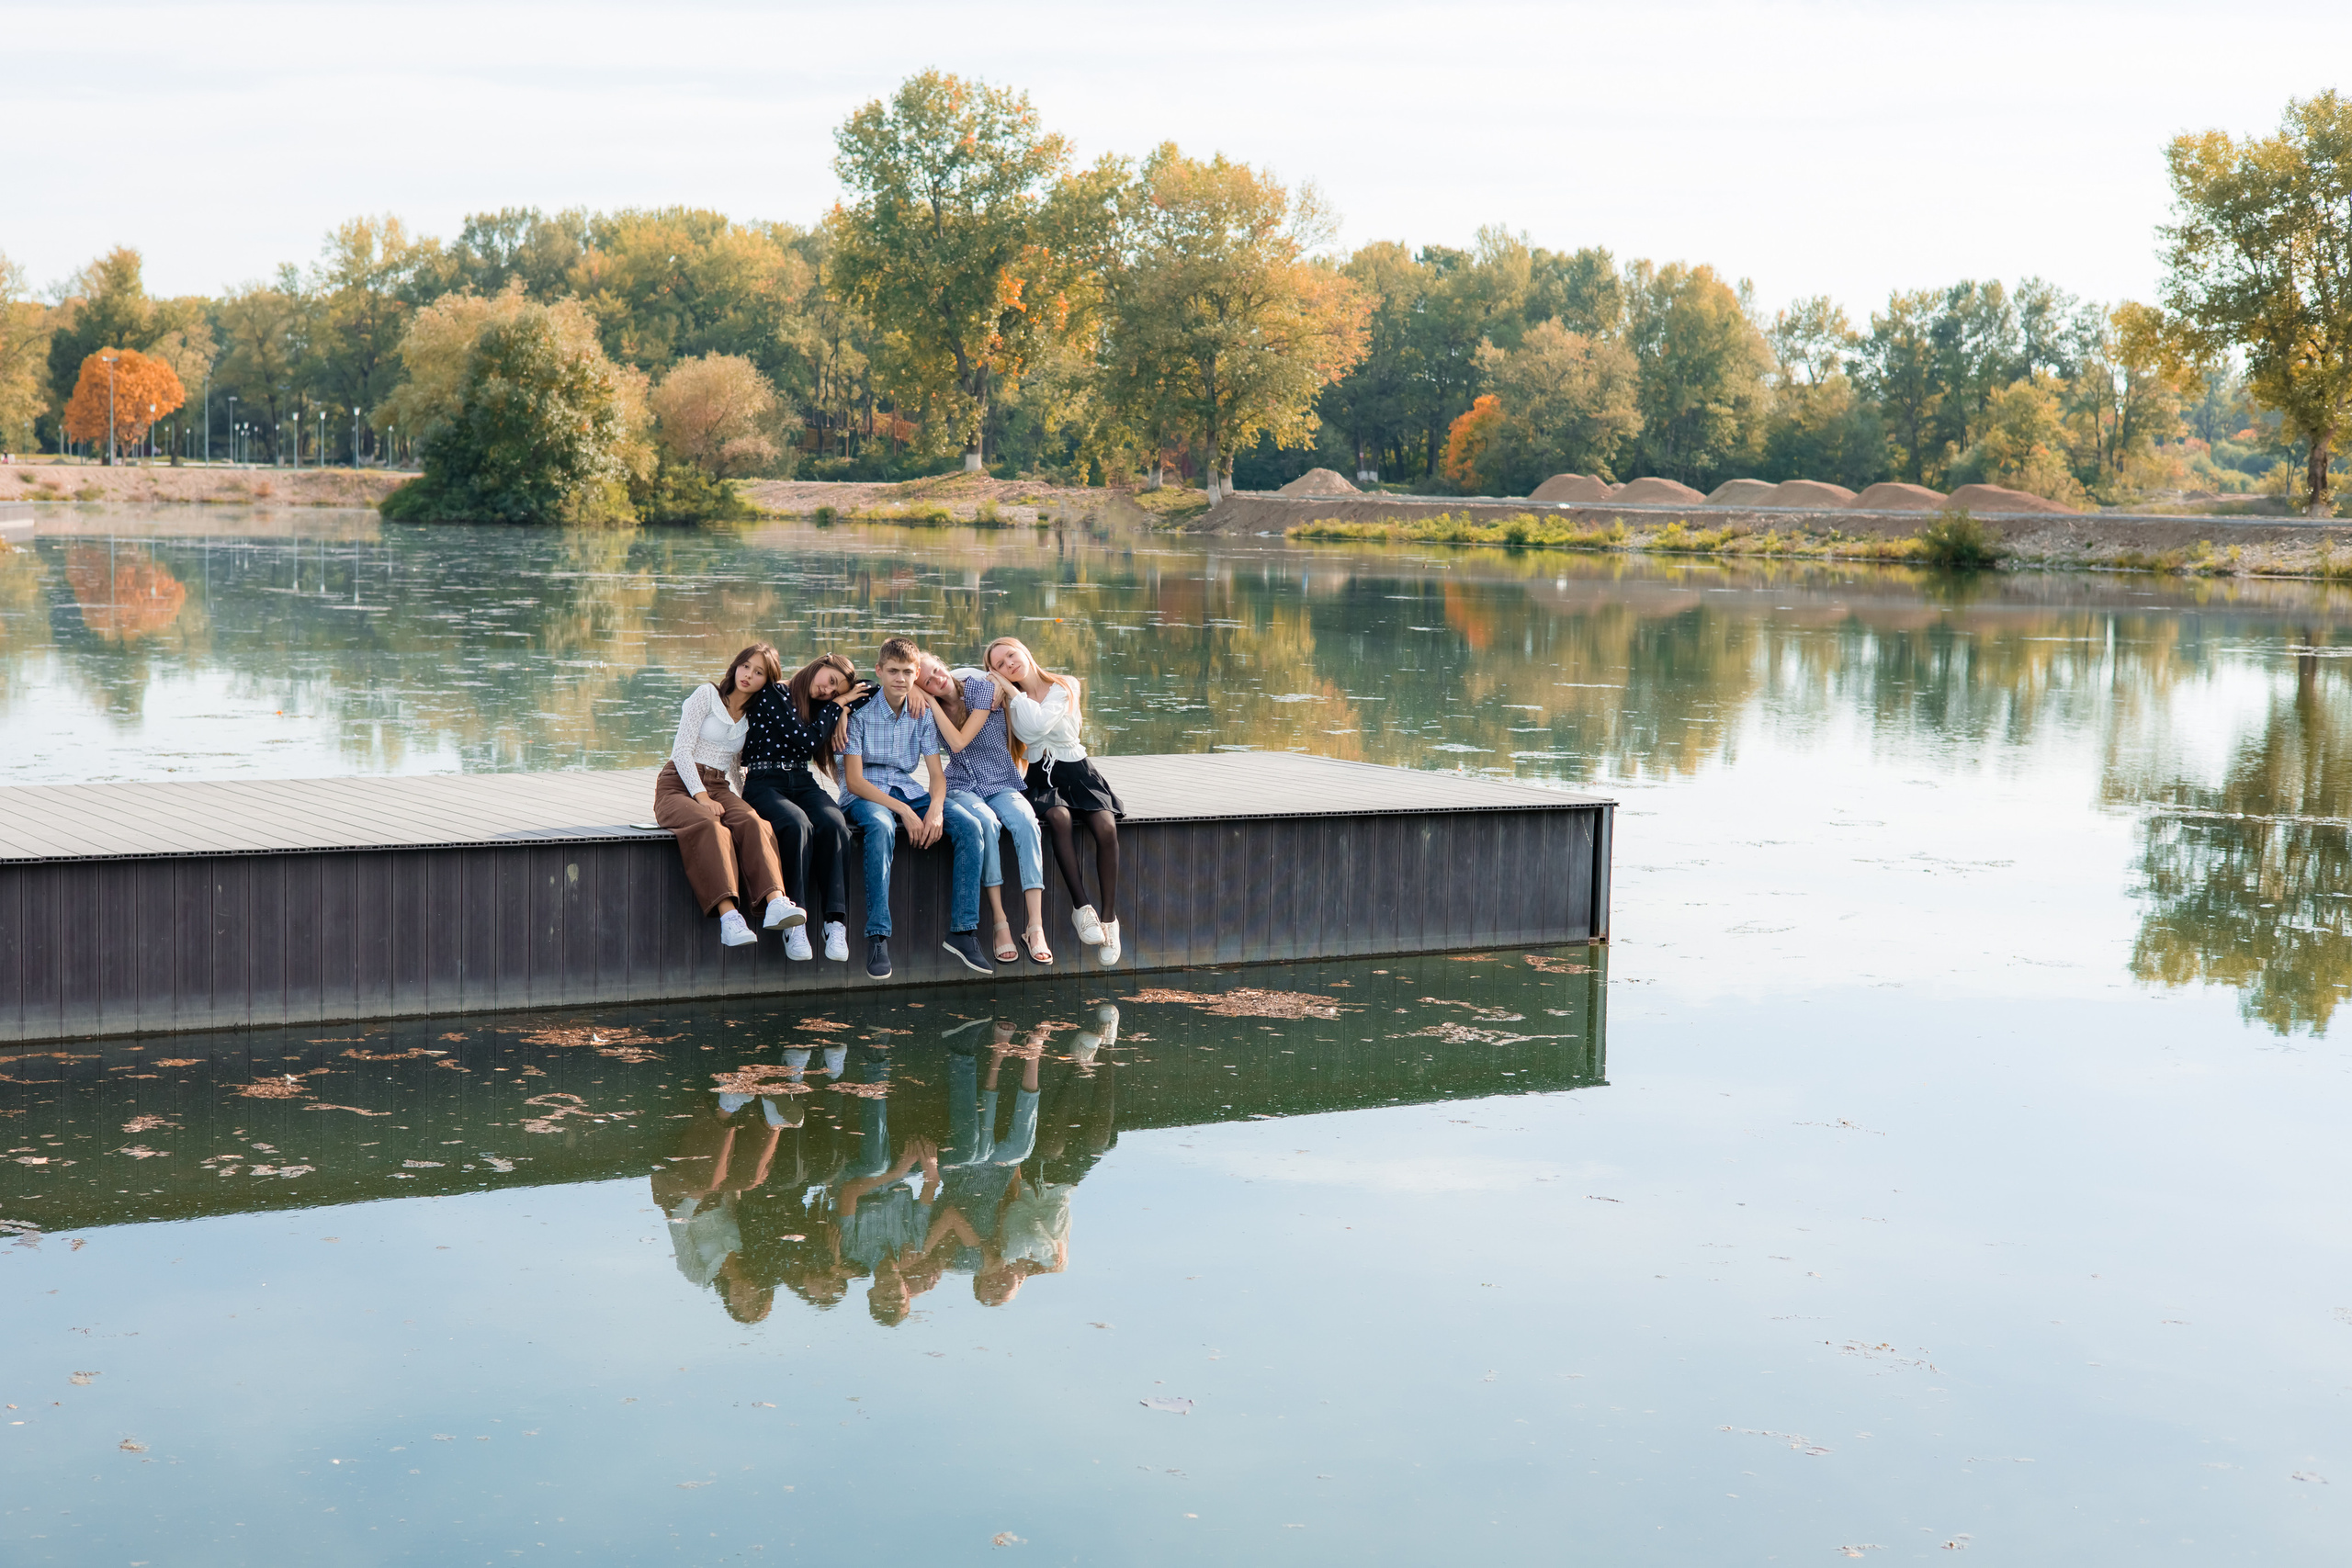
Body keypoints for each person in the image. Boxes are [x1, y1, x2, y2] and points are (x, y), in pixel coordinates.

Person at [841, 637, 994, 979]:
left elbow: (937, 778)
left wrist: (935, 810)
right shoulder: (860, 712)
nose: (900, 678)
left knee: (970, 826)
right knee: (880, 826)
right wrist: (907, 813)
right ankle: (878, 936)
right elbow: (853, 781)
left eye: (907, 672)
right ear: (879, 671)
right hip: (866, 794)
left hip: (909, 789)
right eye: (892, 671)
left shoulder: (921, 712)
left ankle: (963, 931)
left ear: (916, 674)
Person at [983, 636, 1126, 965]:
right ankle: (1081, 909)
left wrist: (1009, 688)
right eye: (999, 665)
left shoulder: (1065, 685)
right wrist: (1008, 689)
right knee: (1059, 819)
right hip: (1040, 778)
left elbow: (1039, 723)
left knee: (1105, 827)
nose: (1009, 665)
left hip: (1078, 772)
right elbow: (958, 676)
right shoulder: (1010, 701)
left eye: (1010, 656)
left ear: (1024, 649)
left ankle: (1109, 920)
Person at [654, 643, 802, 949]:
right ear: (736, 665)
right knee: (711, 827)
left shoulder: (752, 718)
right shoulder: (706, 695)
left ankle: (775, 901)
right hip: (678, 785)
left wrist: (744, 800)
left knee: (754, 822)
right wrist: (701, 797)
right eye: (745, 666)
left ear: (768, 680)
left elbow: (734, 765)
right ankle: (730, 919)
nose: (748, 675)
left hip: (719, 786)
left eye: (759, 672)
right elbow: (681, 752)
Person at [915, 652, 1052, 965]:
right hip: (962, 785)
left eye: (937, 670)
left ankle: (1035, 926)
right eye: (928, 682)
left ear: (943, 663)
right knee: (987, 823)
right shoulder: (926, 708)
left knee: (1026, 822)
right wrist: (922, 697)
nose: (937, 679)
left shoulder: (981, 690)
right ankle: (1000, 922)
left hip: (1003, 780)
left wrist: (928, 699)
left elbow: (959, 742)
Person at [742, 652, 866, 964]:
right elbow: (805, 741)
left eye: (835, 691)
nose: (827, 691)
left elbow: (873, 688)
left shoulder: (825, 704)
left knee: (835, 822)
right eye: (830, 681)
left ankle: (834, 922)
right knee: (797, 823)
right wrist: (838, 707)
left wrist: (845, 710)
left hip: (800, 778)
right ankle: (794, 923)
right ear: (821, 664)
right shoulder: (775, 692)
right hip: (763, 779)